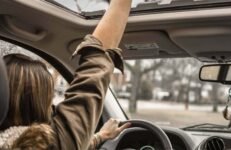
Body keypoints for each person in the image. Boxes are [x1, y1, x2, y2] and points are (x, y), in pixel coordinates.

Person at [0, 0, 132, 149]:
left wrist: (100, 136)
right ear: (38, 105)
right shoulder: (44, 143)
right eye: (49, 99)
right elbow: (97, 63)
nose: (53, 105)